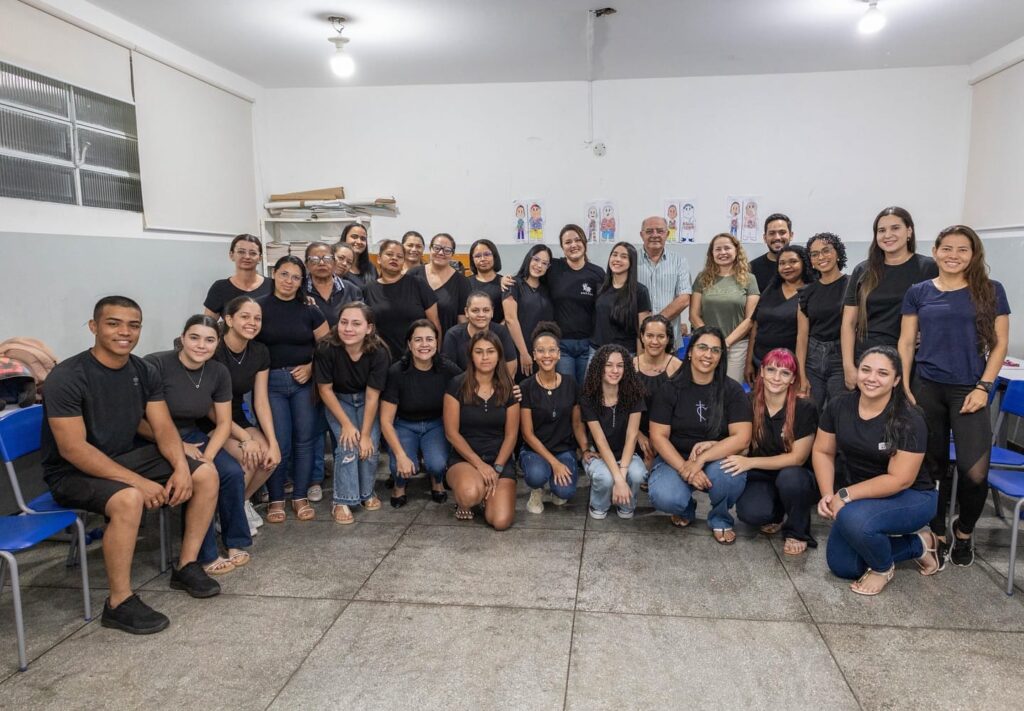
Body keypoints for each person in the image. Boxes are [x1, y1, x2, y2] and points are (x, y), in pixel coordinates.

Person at [42, 296, 220, 634]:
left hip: (124, 457)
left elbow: (162, 427)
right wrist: (137, 482)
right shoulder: (67, 376)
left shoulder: (143, 370)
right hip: (71, 472)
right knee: (128, 498)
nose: (125, 332)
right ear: (94, 327)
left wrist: (181, 467)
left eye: (133, 325)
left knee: (206, 474)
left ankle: (187, 565)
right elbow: (73, 449)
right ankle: (118, 603)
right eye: (113, 323)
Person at [899, 225, 1011, 567]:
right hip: (927, 387)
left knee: (974, 473)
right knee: (931, 467)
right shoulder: (918, 291)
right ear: (935, 251)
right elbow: (906, 341)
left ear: (974, 254)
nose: (953, 255)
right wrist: (904, 385)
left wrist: (984, 387)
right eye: (947, 248)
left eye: (962, 249)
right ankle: (936, 532)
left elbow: (999, 344)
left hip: (970, 390)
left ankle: (963, 532)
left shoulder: (991, 290)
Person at [813, 346, 941, 595]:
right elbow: (822, 451)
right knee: (843, 565)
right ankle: (920, 545)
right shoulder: (839, 405)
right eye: (866, 370)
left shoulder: (909, 419)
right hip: (862, 496)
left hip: (912, 496)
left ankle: (883, 569)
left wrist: (845, 495)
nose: (872, 378)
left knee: (852, 518)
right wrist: (828, 494)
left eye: (883, 373)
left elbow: (900, 480)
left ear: (896, 380)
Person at [145, 316, 250, 576]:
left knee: (232, 472)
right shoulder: (156, 364)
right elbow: (136, 419)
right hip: (154, 437)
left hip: (192, 434)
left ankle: (236, 541)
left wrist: (209, 455)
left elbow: (224, 423)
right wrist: (179, 446)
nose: (201, 345)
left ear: (217, 343)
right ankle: (205, 555)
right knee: (205, 476)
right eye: (194, 337)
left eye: (209, 340)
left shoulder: (218, 372)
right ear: (182, 338)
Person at [647, 326, 753, 544]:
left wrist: (701, 460)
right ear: (690, 351)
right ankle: (685, 508)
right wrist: (685, 468)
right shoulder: (669, 389)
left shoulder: (732, 390)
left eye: (715, 350)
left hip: (716, 457)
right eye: (702, 347)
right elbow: (658, 437)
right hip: (675, 458)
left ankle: (720, 517)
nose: (708, 355)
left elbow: (742, 438)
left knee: (730, 476)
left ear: (721, 356)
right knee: (665, 496)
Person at [256, 255, 330, 523]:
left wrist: (311, 367)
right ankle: (276, 498)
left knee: (305, 440)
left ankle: (299, 496)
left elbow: (326, 345)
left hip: (303, 383)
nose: (289, 281)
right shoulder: (259, 307)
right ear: (274, 274)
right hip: (270, 383)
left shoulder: (310, 309)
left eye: (296, 277)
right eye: (284, 274)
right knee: (279, 441)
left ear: (302, 281)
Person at [727, 348, 819, 555]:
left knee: (791, 478)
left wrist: (750, 462)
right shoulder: (747, 401)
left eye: (785, 373)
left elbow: (798, 458)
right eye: (771, 370)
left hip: (795, 476)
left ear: (793, 378)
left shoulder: (805, 407)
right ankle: (777, 512)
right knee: (752, 514)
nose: (776, 378)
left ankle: (797, 531)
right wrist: (710, 445)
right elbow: (735, 439)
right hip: (760, 475)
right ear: (761, 371)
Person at [841, 206, 938, 389]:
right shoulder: (863, 270)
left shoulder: (928, 268)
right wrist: (848, 366)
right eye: (881, 230)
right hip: (866, 356)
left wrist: (927, 334)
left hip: (909, 359)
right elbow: (848, 323)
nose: (887, 235)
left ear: (909, 231)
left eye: (895, 228)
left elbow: (942, 310)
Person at [314, 302, 390, 524]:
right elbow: (325, 390)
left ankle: (366, 492)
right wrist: (347, 425)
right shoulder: (326, 348)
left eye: (356, 323)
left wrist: (365, 434)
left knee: (368, 447)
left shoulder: (379, 352)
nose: (348, 328)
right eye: (344, 322)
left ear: (369, 328)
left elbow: (372, 395)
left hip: (367, 400)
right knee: (348, 445)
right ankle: (342, 500)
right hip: (338, 400)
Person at [209, 296, 280, 532]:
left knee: (270, 457)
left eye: (257, 318)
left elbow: (261, 400)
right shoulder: (214, 350)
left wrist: (273, 442)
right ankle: (229, 516)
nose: (252, 322)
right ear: (229, 320)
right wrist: (246, 438)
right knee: (249, 456)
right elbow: (209, 407)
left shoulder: (259, 351)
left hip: (236, 416)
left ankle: (239, 504)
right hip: (210, 420)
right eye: (245, 316)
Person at [380, 320, 461, 507]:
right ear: (409, 344)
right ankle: (399, 486)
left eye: (429, 339)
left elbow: (470, 384)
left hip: (436, 424)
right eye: (418, 340)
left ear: (436, 343)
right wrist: (400, 455)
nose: (424, 344)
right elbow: (385, 421)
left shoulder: (447, 368)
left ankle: (437, 480)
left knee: (437, 464)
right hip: (404, 424)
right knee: (400, 464)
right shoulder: (397, 372)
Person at [443, 331, 520, 529]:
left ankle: (485, 494)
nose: (485, 357)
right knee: (469, 494)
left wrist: (497, 468)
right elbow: (451, 433)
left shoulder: (508, 387)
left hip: (499, 459)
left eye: (490, 351)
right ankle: (468, 497)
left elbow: (511, 435)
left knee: (500, 522)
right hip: (465, 459)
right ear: (471, 356)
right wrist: (480, 466)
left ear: (499, 355)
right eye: (479, 352)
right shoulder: (456, 385)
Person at [520, 322, 589, 514]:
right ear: (534, 355)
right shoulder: (526, 387)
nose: (547, 355)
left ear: (559, 354)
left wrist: (584, 449)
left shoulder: (571, 383)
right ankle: (537, 489)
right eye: (541, 351)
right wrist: (554, 464)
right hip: (535, 450)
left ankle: (555, 485)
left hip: (563, 449)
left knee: (565, 491)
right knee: (536, 475)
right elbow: (527, 434)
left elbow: (577, 423)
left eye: (552, 350)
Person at [579, 344, 648, 520]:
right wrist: (617, 479)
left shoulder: (634, 394)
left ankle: (626, 503)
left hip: (627, 453)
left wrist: (621, 476)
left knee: (638, 474)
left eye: (620, 365)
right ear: (599, 368)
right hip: (599, 454)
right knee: (605, 477)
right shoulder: (588, 397)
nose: (615, 370)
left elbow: (632, 436)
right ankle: (599, 504)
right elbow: (600, 440)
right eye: (608, 365)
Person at [690, 233, 760, 383]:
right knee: (704, 388)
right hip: (706, 345)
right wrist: (711, 340)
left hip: (736, 347)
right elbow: (694, 315)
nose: (722, 252)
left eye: (727, 248)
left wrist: (726, 342)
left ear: (736, 250)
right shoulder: (702, 278)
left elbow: (750, 319)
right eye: (718, 249)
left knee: (730, 390)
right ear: (712, 253)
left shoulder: (749, 279)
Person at [796, 232, 850, 411]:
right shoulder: (806, 292)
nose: (821, 257)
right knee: (810, 409)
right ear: (811, 261)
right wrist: (801, 375)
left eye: (826, 251)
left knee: (839, 409)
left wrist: (850, 365)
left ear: (837, 254)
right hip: (813, 358)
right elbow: (802, 336)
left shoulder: (852, 285)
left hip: (841, 357)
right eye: (815, 254)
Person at [744, 244, 813, 383]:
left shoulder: (811, 292)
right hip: (760, 362)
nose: (787, 267)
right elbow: (756, 326)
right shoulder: (771, 289)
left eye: (793, 261)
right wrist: (748, 362)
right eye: (782, 263)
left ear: (804, 263)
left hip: (790, 367)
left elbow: (803, 337)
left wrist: (800, 373)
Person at [363, 240, 442, 359]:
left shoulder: (418, 284)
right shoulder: (368, 289)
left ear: (403, 262)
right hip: (381, 358)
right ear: (379, 258)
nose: (394, 258)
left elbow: (434, 323)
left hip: (418, 357)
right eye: (389, 254)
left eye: (399, 256)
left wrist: (436, 356)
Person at [548, 224, 605, 384]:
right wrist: (506, 280)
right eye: (568, 242)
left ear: (584, 243)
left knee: (587, 390)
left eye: (577, 240)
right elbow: (530, 273)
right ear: (562, 247)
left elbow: (604, 307)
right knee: (567, 389)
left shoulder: (597, 273)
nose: (573, 245)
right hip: (561, 344)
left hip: (588, 344)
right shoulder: (553, 269)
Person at [633, 315, 683, 471]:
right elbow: (621, 408)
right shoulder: (629, 366)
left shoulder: (678, 368)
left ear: (668, 339)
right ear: (642, 337)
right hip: (634, 435)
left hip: (669, 437)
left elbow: (682, 411)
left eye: (661, 336)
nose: (654, 341)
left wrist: (660, 441)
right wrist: (637, 435)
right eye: (649, 336)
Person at [637, 216, 693, 348]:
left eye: (660, 231)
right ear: (641, 235)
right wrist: (646, 328)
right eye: (649, 231)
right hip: (637, 340)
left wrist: (653, 324)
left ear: (667, 234)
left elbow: (684, 299)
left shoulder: (679, 261)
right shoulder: (631, 260)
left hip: (669, 339)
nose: (655, 235)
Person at [503, 244, 555, 379]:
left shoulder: (547, 289)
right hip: (518, 350)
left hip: (542, 353)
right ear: (529, 259)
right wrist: (524, 353)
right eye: (536, 259)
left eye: (544, 263)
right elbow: (510, 319)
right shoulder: (513, 284)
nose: (539, 265)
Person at [592, 241, 652, 355]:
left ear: (631, 262)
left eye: (624, 256)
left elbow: (642, 331)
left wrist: (639, 360)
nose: (617, 259)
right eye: (614, 255)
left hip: (626, 354)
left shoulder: (640, 291)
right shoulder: (601, 288)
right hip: (597, 352)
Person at [442, 291, 518, 377]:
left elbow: (511, 365)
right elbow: (449, 369)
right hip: (462, 383)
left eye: (486, 310)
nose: (481, 315)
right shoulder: (453, 335)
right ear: (466, 312)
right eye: (475, 310)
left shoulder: (501, 332)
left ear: (492, 312)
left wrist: (497, 384)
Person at [408, 233, 471, 335]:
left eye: (447, 250)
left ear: (452, 254)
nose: (441, 253)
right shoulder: (413, 274)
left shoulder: (461, 282)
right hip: (413, 340)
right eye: (437, 248)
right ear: (430, 249)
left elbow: (462, 320)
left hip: (447, 341)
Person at [203, 234, 272, 318]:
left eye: (253, 253)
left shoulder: (272, 285)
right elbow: (207, 323)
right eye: (241, 252)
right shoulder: (220, 288)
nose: (247, 256)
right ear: (231, 255)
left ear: (260, 258)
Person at [304, 241, 362, 328]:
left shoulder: (352, 290)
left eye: (327, 258)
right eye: (315, 259)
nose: (321, 263)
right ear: (306, 264)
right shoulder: (299, 289)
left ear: (334, 262)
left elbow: (360, 321)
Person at [749, 213, 795, 293]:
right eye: (772, 233)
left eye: (782, 232)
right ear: (765, 238)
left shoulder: (803, 265)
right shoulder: (751, 268)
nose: (777, 237)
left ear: (791, 235)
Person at [467, 238, 506, 324]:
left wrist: (498, 330)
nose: (483, 259)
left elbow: (509, 316)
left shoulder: (504, 283)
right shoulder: (465, 283)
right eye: (477, 256)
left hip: (498, 331)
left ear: (494, 256)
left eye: (487, 254)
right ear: (472, 260)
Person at [341, 223, 376, 289]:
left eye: (363, 238)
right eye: (354, 237)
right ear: (345, 238)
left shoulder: (370, 268)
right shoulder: (337, 266)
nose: (359, 242)